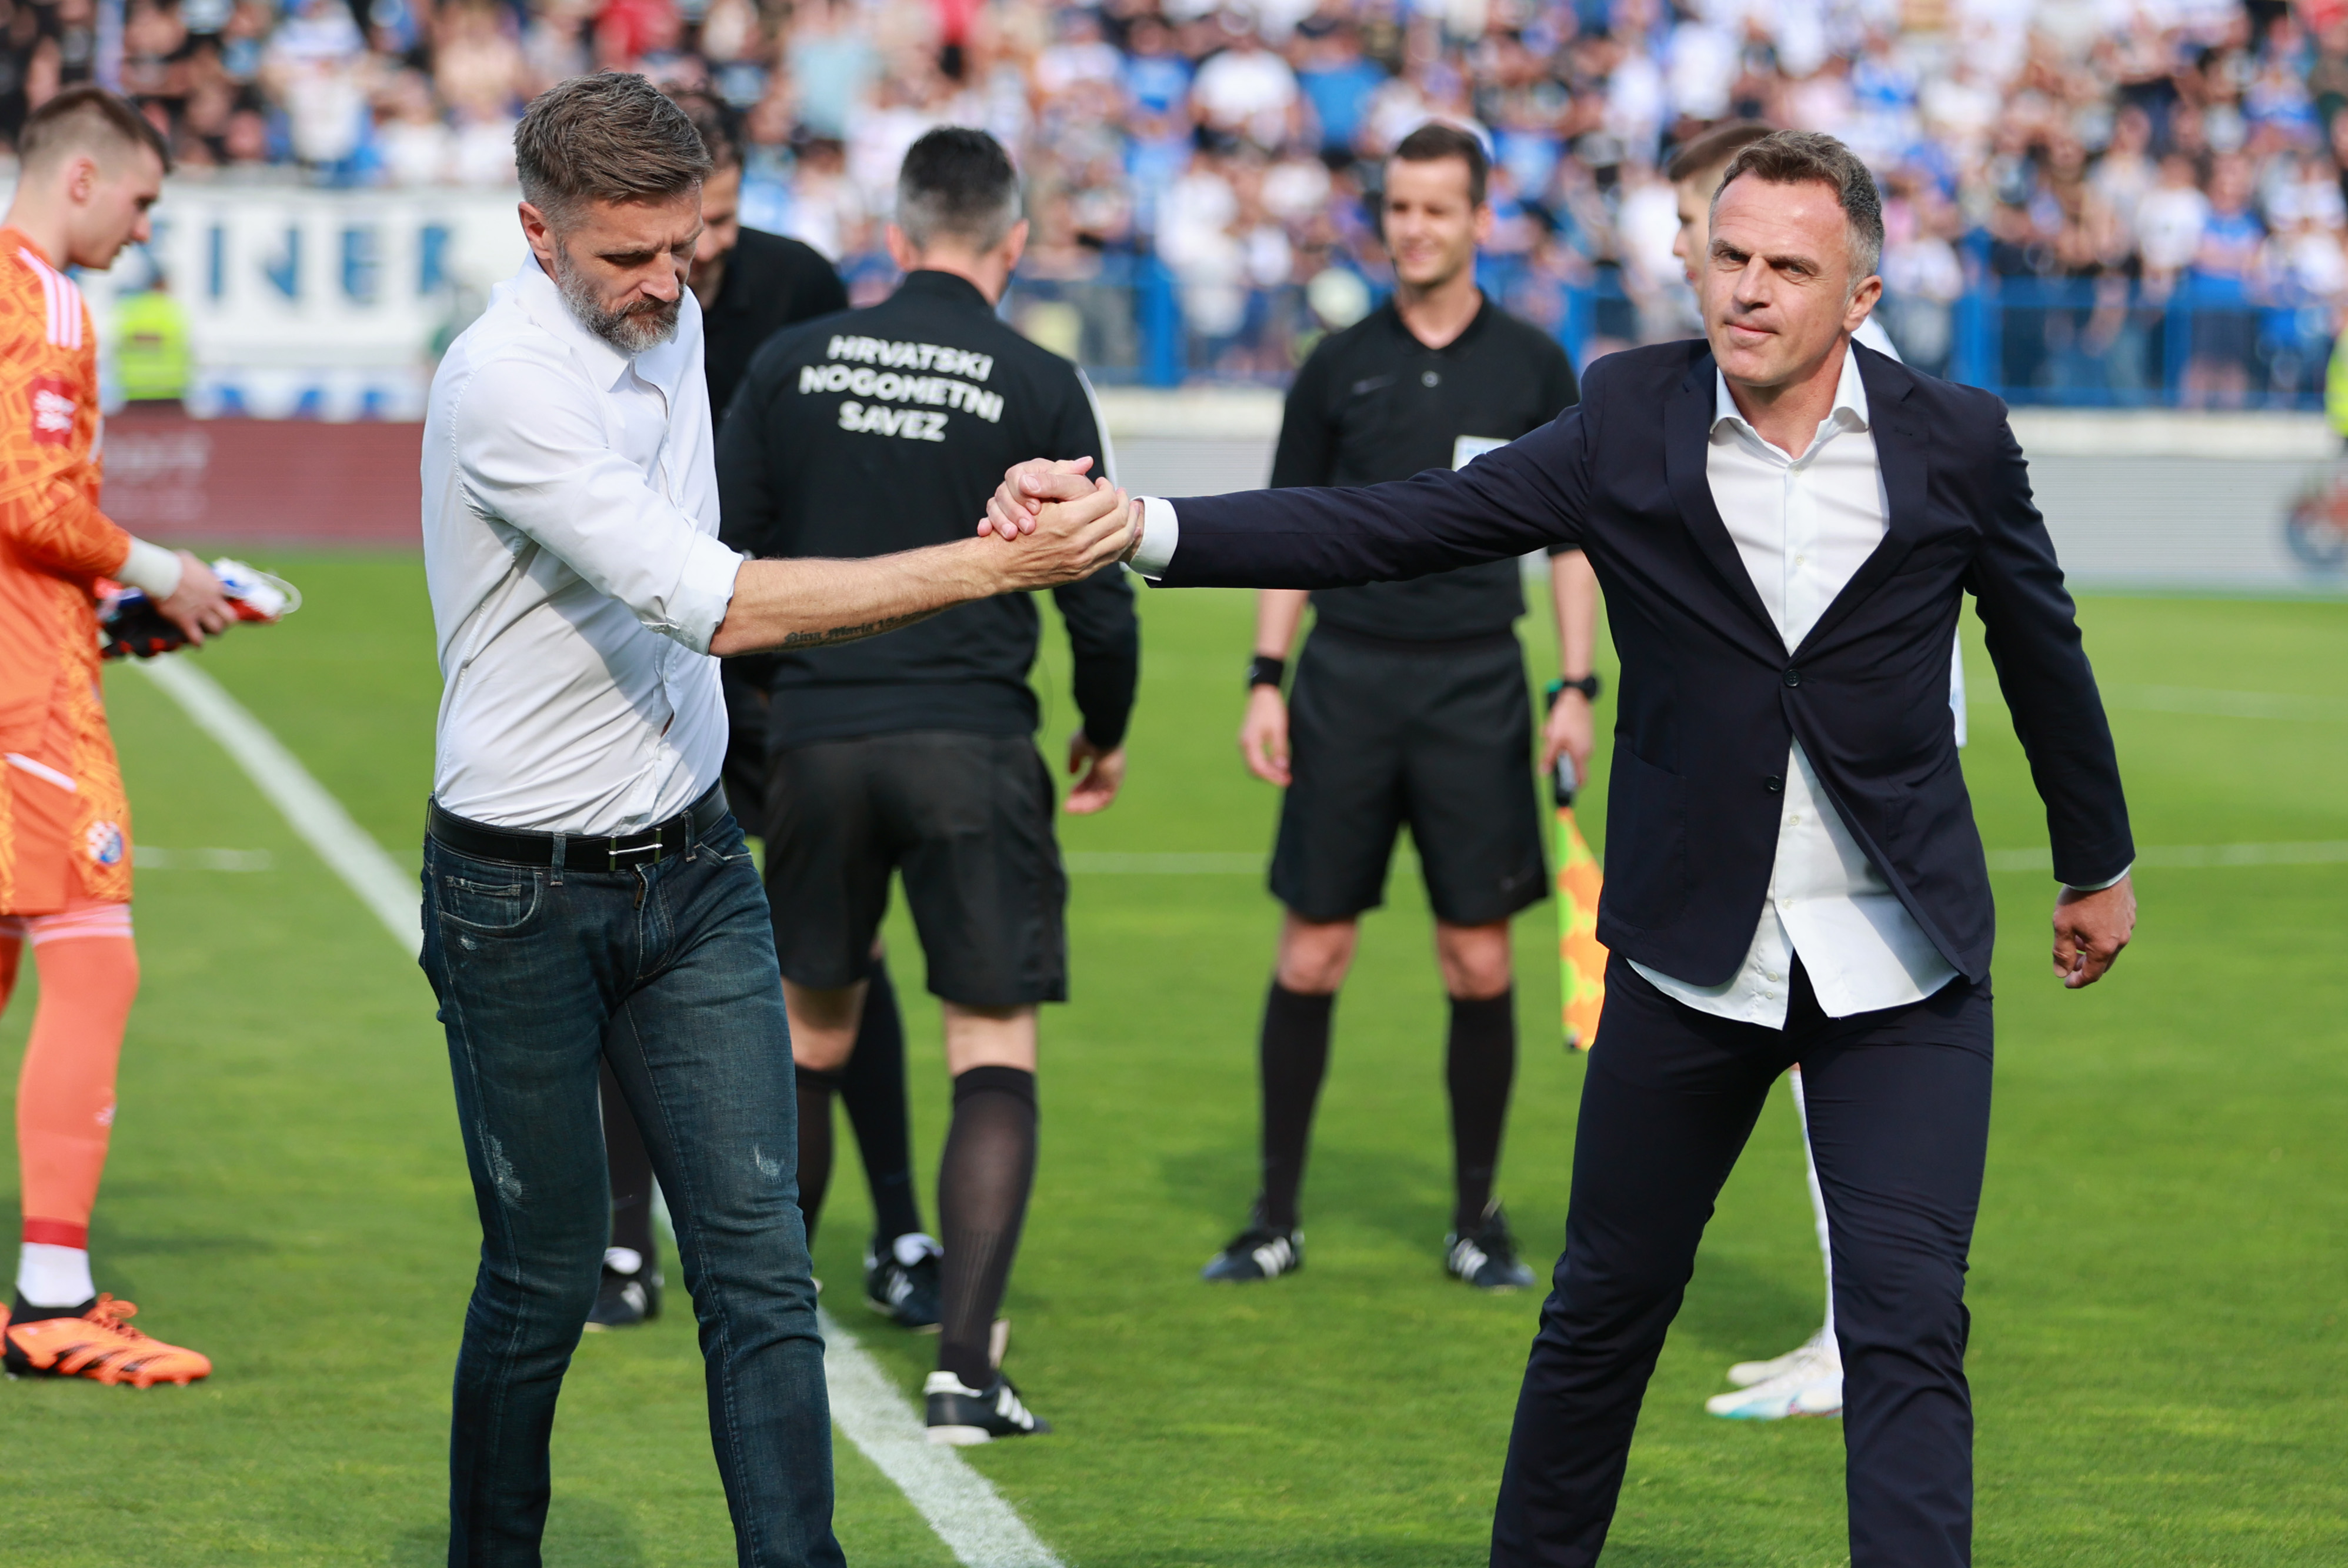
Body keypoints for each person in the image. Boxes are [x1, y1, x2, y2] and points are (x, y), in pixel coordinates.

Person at [995, 129, 2137, 1568]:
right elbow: (1397, 525)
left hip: (1901, 960)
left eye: (1789, 268)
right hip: (1688, 954)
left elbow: (2040, 649)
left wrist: (2095, 862)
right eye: (1728, 255)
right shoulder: (1625, 416)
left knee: (1906, 1328)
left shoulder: (1956, 438)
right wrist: (1142, 526)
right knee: (1603, 1313)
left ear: (1861, 295)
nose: (1749, 288)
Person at [418, 75, 1130, 1564]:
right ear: (538, 234)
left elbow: (731, 537)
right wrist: (994, 564)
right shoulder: (504, 386)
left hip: (692, 868)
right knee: (543, 1277)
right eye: (627, 255)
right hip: (517, 892)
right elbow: (723, 601)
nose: (666, 283)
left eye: (684, 248)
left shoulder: (669, 316)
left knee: (758, 1268)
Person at [716, 126, 1137, 1446]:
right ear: (1014, 245)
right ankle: (964, 1370)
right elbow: (1097, 590)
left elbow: (719, 556)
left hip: (818, 743)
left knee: (811, 1037)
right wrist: (1105, 727)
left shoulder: (794, 359)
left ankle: (762, 1343)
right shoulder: (1040, 377)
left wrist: (767, 719)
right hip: (974, 744)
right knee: (989, 1046)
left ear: (896, 239)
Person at [1202, 121, 1592, 1294]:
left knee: (1476, 960)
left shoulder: (1534, 365)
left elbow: (1574, 542)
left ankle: (1478, 1219)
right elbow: (1286, 529)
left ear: (1481, 219)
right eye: (1400, 208)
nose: (1415, 229)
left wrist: (1576, 688)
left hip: (1479, 684)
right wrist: (1265, 678)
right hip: (1348, 680)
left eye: (1438, 208)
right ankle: (1273, 1217)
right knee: (1313, 952)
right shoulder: (1337, 363)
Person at [585, 88, 946, 1336]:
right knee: (633, 937)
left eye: (720, 226)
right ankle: (624, 1238)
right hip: (655, 657)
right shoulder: (603, 294)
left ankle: (899, 1224)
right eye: (692, 231)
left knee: (844, 947)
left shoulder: (799, 288)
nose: (706, 255)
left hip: (786, 664)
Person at [1666, 120, 1971, 1423]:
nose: (1710, 267)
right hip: (1812, 773)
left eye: (1757, 252)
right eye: (1707, 242)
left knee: (1836, 1062)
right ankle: (1843, 1329)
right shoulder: (1719, 385)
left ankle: (1857, 1338)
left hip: (1862, 780)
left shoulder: (1872, 400)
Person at [0, 86, 230, 1390]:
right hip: (25, 696)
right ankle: (53, 1297)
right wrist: (161, 568)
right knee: (95, 957)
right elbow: (32, 500)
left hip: (28, 649)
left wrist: (109, 609)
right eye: (141, 201)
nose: (143, 230)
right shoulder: (44, 297)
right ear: (80, 177)